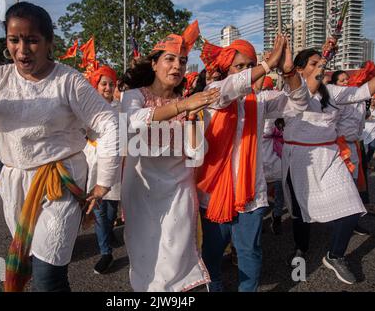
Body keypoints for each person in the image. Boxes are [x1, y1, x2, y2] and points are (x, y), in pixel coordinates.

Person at [0, 2, 119, 292]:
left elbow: (108, 122)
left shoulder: (69, 81)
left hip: (59, 184)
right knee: (37, 266)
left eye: (32, 40)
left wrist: (103, 182)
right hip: (15, 186)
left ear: (49, 43)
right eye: (14, 40)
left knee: (47, 277)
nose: (22, 50)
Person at [194, 35, 308, 292]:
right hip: (213, 196)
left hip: (250, 195)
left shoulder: (261, 101)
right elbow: (230, 89)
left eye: (251, 65)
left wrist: (288, 71)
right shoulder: (212, 94)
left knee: (250, 253)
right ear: (226, 70)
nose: (248, 72)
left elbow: (299, 103)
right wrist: (267, 66)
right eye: (240, 66)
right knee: (212, 254)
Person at [120, 20, 219, 292]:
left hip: (178, 190)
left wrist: (193, 119)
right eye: (170, 59)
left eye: (183, 61)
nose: (177, 66)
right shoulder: (132, 97)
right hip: (142, 191)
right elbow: (132, 122)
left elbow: (196, 155)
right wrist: (182, 105)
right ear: (154, 63)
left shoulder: (192, 102)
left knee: (178, 258)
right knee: (146, 258)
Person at [284, 39, 375, 284]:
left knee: (352, 206)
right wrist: (322, 63)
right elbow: (304, 95)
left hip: (331, 154)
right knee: (301, 214)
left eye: (320, 63)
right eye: (313, 64)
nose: (319, 67)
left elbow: (365, 91)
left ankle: (335, 255)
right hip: (300, 158)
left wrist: (322, 67)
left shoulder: (333, 92)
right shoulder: (289, 89)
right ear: (300, 69)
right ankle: (300, 250)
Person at [83, 64, 122, 274]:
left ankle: (108, 232)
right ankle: (106, 252)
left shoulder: (120, 108)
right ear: (96, 86)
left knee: (111, 209)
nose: (107, 88)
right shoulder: (87, 107)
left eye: (111, 84)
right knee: (98, 208)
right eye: (103, 84)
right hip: (93, 161)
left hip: (114, 162)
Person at [330, 70, 371, 235]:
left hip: (353, 146)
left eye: (347, 79)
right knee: (340, 188)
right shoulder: (335, 101)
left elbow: (361, 124)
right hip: (337, 148)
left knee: (353, 187)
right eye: (341, 81)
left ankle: (351, 223)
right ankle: (337, 221)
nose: (346, 82)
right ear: (334, 85)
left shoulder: (360, 100)